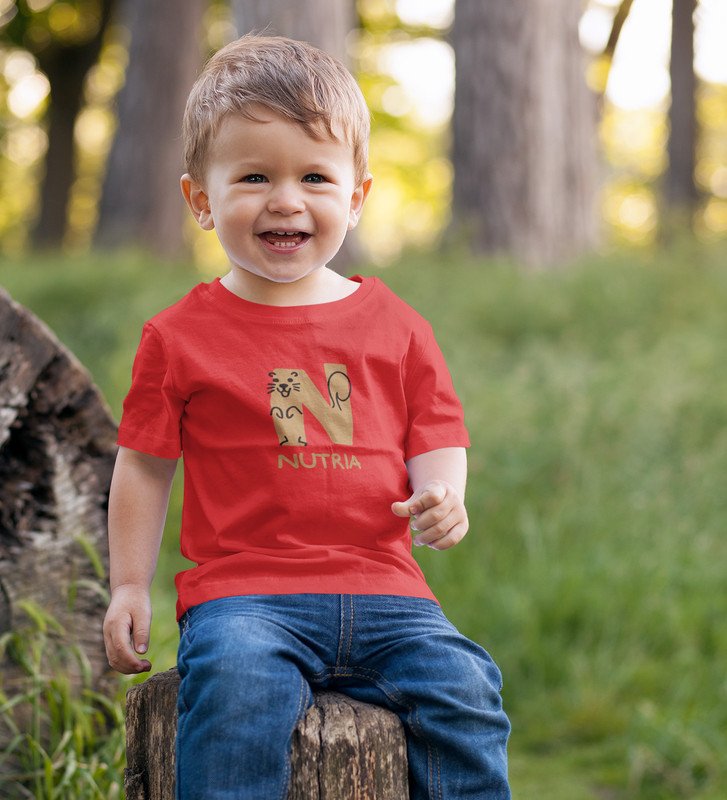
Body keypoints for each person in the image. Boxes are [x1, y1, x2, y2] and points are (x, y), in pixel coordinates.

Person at [103, 34, 511, 800]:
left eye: (315, 177)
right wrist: (129, 586)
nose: (286, 200)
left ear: (355, 196)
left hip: (388, 591)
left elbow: (435, 434)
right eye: (254, 176)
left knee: (465, 686)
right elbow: (144, 466)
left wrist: (442, 493)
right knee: (235, 692)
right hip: (245, 598)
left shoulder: (396, 325)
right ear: (200, 200)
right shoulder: (178, 337)